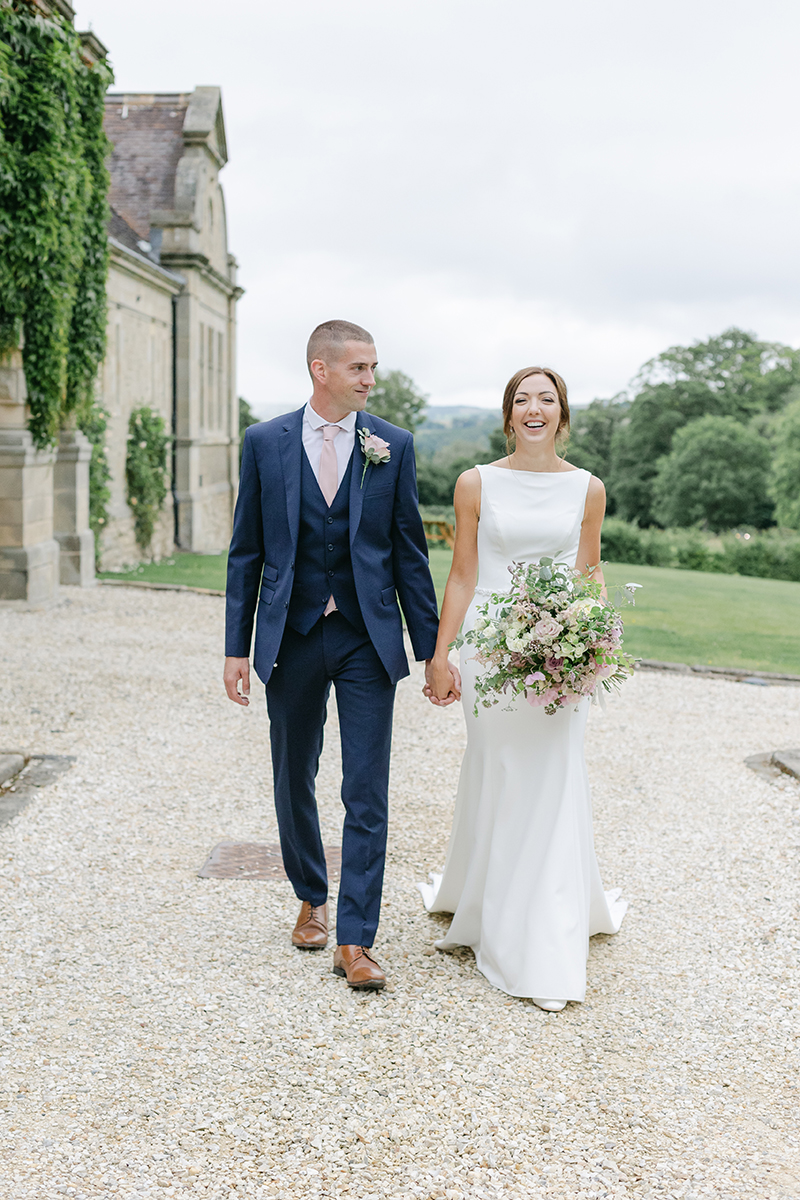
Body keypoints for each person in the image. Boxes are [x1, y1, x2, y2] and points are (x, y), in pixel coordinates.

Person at [224, 320, 457, 991]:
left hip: (364, 637)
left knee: (366, 788)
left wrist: (435, 650)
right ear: (320, 370)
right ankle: (309, 893)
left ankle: (355, 939)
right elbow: (246, 551)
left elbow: (411, 555)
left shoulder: (393, 445)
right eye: (359, 368)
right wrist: (236, 647)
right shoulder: (265, 443)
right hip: (291, 635)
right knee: (294, 774)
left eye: (374, 368)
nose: (370, 380)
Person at [419, 366, 627, 1011]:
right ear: (508, 415)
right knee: (499, 769)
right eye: (521, 399)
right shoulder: (475, 483)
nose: (533, 408)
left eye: (547, 399)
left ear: (562, 416)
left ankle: (543, 925)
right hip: (490, 649)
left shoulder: (588, 489)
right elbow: (461, 575)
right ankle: (489, 907)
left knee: (555, 774)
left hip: (561, 651)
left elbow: (589, 575)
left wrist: (590, 647)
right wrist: (439, 653)